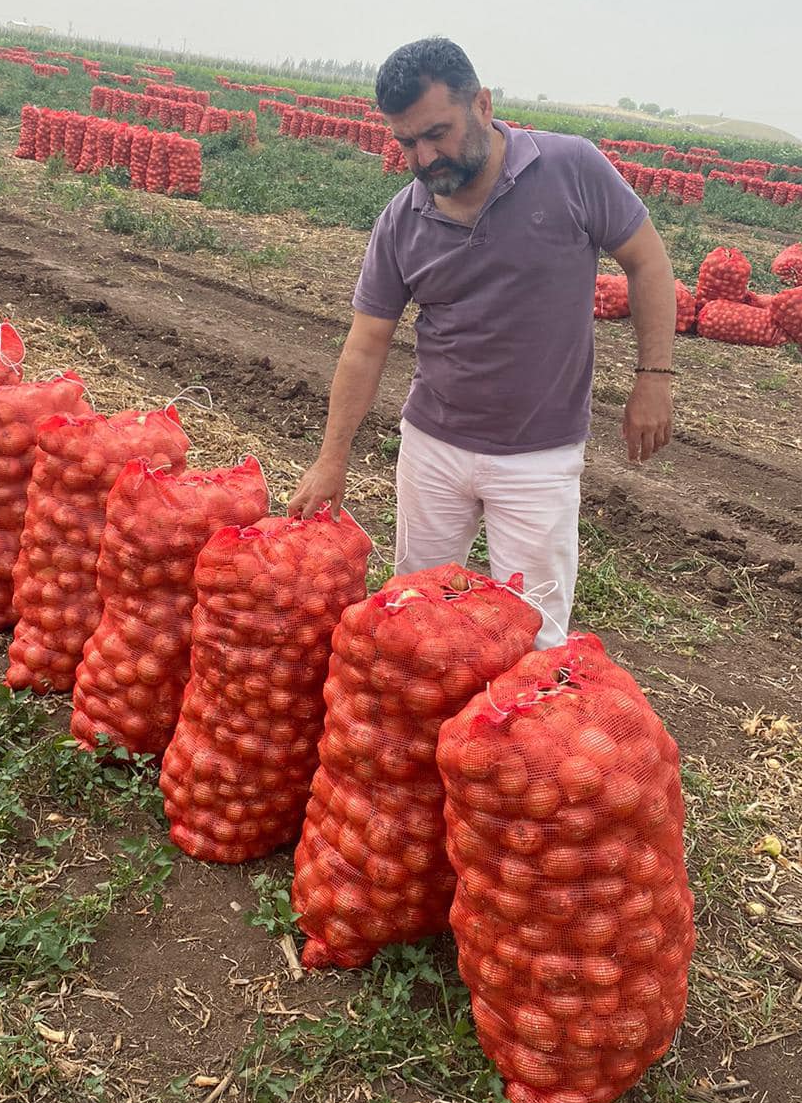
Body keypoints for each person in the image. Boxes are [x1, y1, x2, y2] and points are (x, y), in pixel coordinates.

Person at [288, 37, 676, 647]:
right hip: (433, 449)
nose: (424, 155)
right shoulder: (401, 219)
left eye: (437, 133)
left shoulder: (571, 168)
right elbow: (365, 346)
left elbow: (648, 262)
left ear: (484, 105)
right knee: (414, 621)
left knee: (534, 638)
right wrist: (331, 457)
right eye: (407, 142)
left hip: (537, 459)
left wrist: (653, 377)